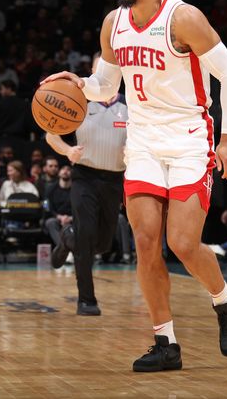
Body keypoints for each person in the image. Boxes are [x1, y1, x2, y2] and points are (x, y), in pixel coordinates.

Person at [43, 0, 227, 371]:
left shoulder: (183, 18)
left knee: (184, 243)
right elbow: (104, 87)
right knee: (147, 245)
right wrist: (78, 82)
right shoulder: (112, 24)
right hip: (143, 143)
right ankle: (165, 343)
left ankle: (224, 301)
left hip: (190, 137)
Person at [46, 65, 128, 316]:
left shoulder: (130, 105)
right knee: (87, 237)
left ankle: (67, 237)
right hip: (84, 177)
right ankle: (87, 300)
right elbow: (51, 135)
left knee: (103, 244)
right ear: (93, 72)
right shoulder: (78, 102)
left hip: (115, 180)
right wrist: (67, 151)